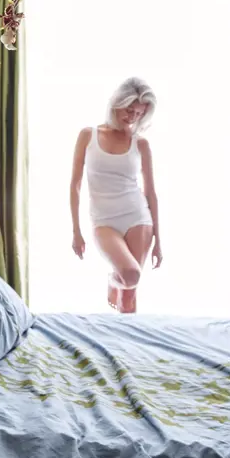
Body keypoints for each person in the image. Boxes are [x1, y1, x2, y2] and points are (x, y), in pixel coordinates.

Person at [70, 77, 162, 313]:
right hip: (104, 221)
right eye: (129, 109)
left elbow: (151, 192)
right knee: (129, 274)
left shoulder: (140, 144)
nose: (132, 117)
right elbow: (76, 185)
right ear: (117, 103)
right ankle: (113, 280)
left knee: (131, 291)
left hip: (138, 217)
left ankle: (127, 345)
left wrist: (159, 241)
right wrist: (76, 232)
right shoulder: (88, 135)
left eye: (139, 114)